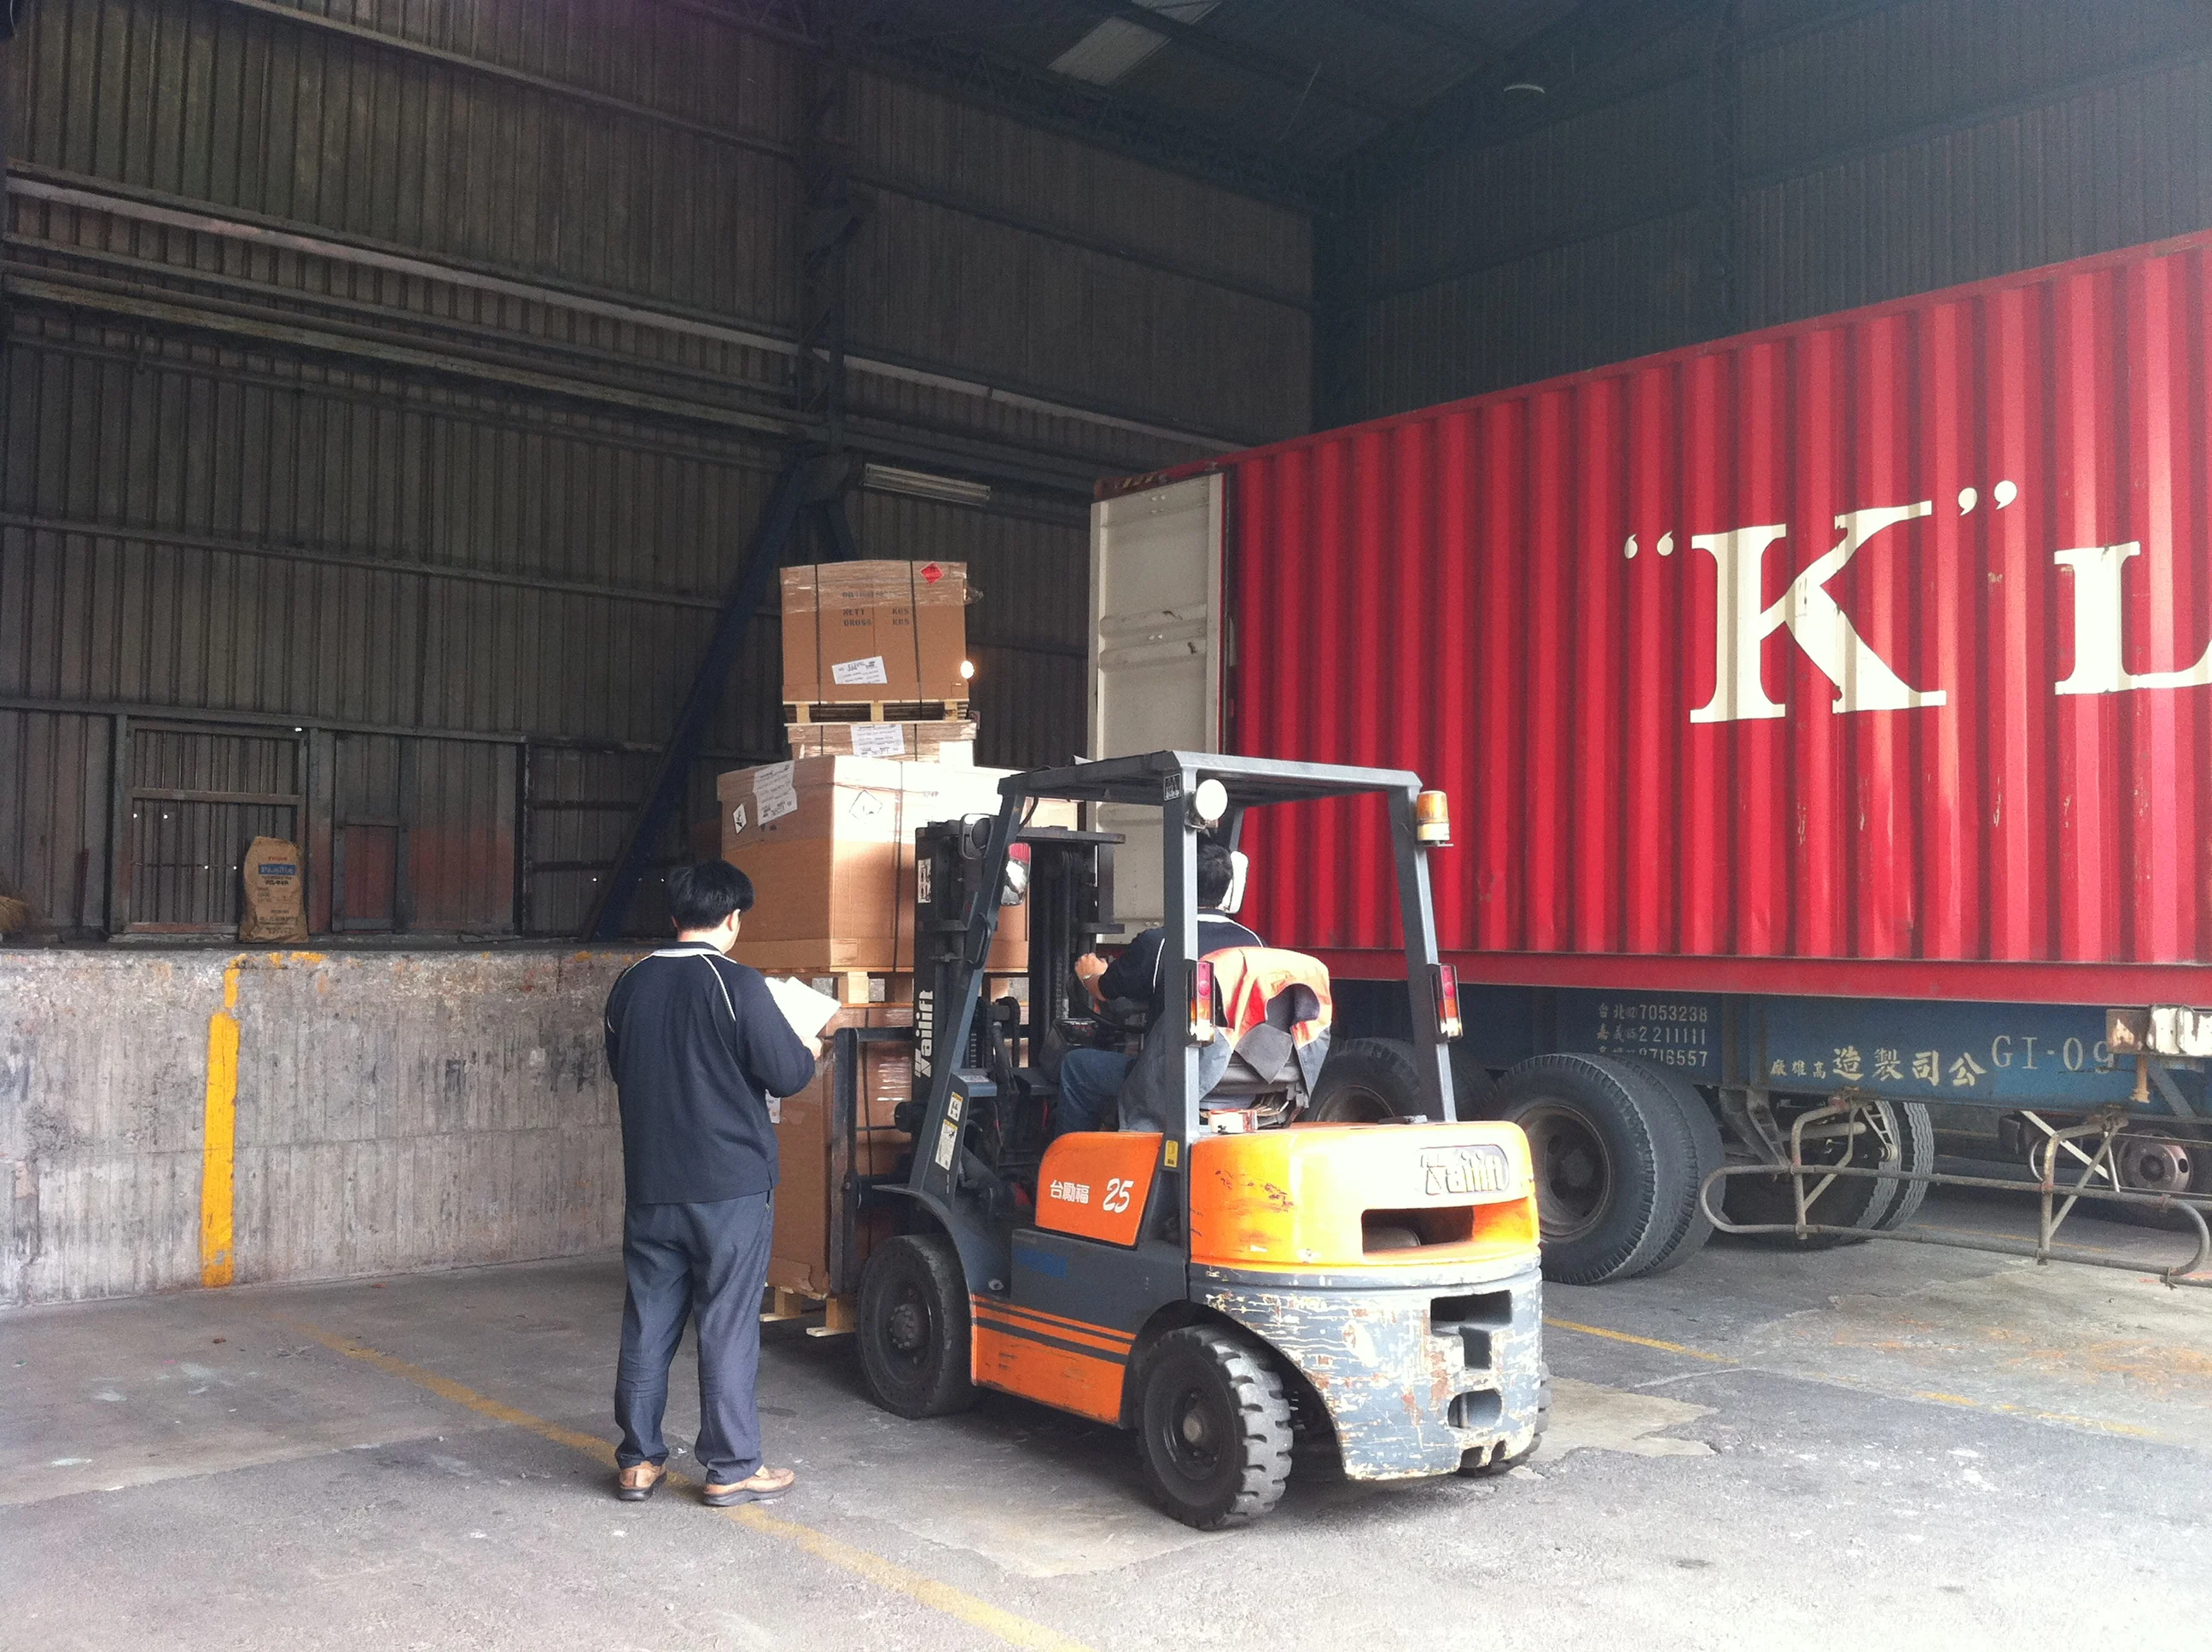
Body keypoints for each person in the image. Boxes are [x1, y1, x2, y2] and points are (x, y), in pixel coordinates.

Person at [602, 859, 818, 1506]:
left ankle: (638, 1461)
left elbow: (622, 1067)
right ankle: (732, 1466)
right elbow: (788, 1075)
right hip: (729, 1187)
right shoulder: (737, 983)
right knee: (726, 1321)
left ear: (674, 916)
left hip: (651, 1184)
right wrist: (806, 1046)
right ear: (732, 918)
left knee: (648, 1318)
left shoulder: (629, 984)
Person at [1056, 843, 1261, 1136]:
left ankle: (1071, 1157)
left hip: (1175, 1079)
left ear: (1177, 884)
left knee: (1076, 1066)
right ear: (1227, 888)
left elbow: (1103, 991)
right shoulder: (1255, 944)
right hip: (1242, 1082)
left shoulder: (1162, 943)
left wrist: (1089, 971)